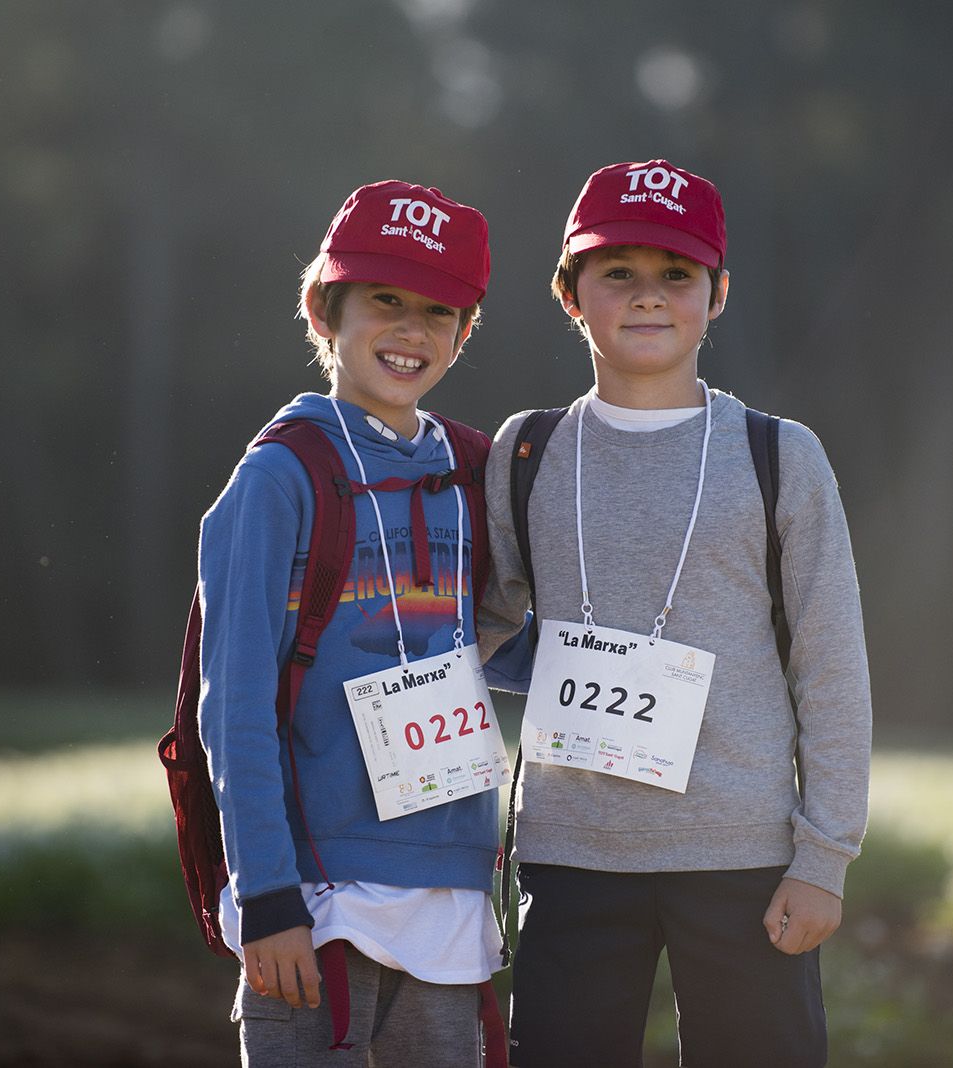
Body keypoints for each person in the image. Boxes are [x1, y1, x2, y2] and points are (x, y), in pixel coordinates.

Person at [476, 159, 872, 1067]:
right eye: (617, 273)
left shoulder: (779, 455)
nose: (647, 298)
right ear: (571, 294)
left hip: (743, 856)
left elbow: (831, 665)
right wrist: (567, 674)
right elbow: (487, 626)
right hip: (571, 854)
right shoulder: (526, 450)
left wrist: (824, 859)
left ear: (718, 293)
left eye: (675, 276)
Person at [199, 180, 512, 1066]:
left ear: (464, 330)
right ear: (322, 308)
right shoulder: (278, 478)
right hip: (316, 896)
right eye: (384, 299)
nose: (411, 331)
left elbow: (505, 641)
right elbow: (236, 709)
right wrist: (266, 896)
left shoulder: (474, 470)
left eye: (439, 310)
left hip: (450, 892)